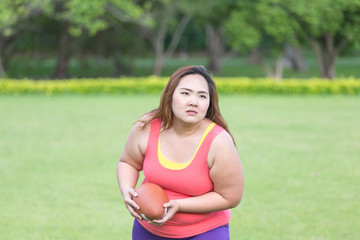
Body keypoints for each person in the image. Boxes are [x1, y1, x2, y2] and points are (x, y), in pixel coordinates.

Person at [117, 65, 244, 239]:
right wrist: (126, 190)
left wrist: (179, 205)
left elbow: (230, 197)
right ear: (170, 96)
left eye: (202, 96)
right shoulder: (147, 127)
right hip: (148, 231)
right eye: (185, 93)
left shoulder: (219, 142)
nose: (193, 101)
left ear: (209, 103)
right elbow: (128, 162)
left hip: (205, 232)